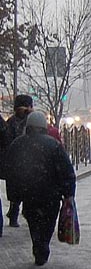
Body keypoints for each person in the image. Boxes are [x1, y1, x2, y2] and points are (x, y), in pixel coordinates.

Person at [2, 111, 77, 265]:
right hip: (51, 195)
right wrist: (68, 194)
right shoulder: (53, 145)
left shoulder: (18, 144)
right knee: (48, 222)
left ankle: (38, 245)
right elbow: (67, 171)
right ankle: (43, 246)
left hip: (29, 194)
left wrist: (14, 196)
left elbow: (10, 171)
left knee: (34, 222)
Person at [5, 94, 35, 227]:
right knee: (16, 192)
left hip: (29, 161)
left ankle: (26, 213)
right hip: (15, 162)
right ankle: (14, 213)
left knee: (29, 191)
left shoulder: (31, 121)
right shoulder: (11, 122)